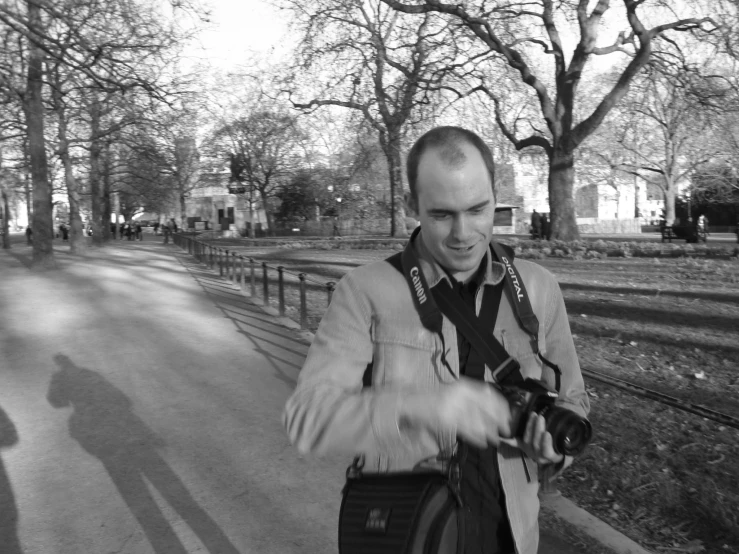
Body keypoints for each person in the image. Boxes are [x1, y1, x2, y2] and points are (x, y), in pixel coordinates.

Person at [283, 126, 589, 554]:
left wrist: (555, 447)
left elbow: (572, 398)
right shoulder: (364, 291)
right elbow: (307, 420)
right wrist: (424, 406)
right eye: (442, 214)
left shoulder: (538, 288)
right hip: (410, 534)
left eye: (478, 209)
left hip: (513, 538)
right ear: (413, 206)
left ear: (494, 194)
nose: (464, 233)